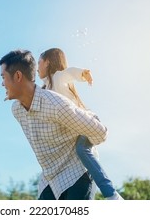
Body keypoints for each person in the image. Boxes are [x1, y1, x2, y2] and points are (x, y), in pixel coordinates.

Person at [0, 49, 108, 200]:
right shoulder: (17, 109)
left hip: (76, 172)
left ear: (17, 76)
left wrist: (82, 144)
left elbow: (100, 132)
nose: (2, 83)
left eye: (3, 77)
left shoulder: (55, 103)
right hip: (50, 178)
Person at [38, 48, 123, 200]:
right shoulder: (45, 88)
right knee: (80, 150)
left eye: (39, 62)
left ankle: (111, 194)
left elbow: (69, 73)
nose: (37, 67)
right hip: (76, 128)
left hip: (86, 122)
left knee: (82, 150)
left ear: (48, 62)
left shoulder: (57, 77)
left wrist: (83, 73)